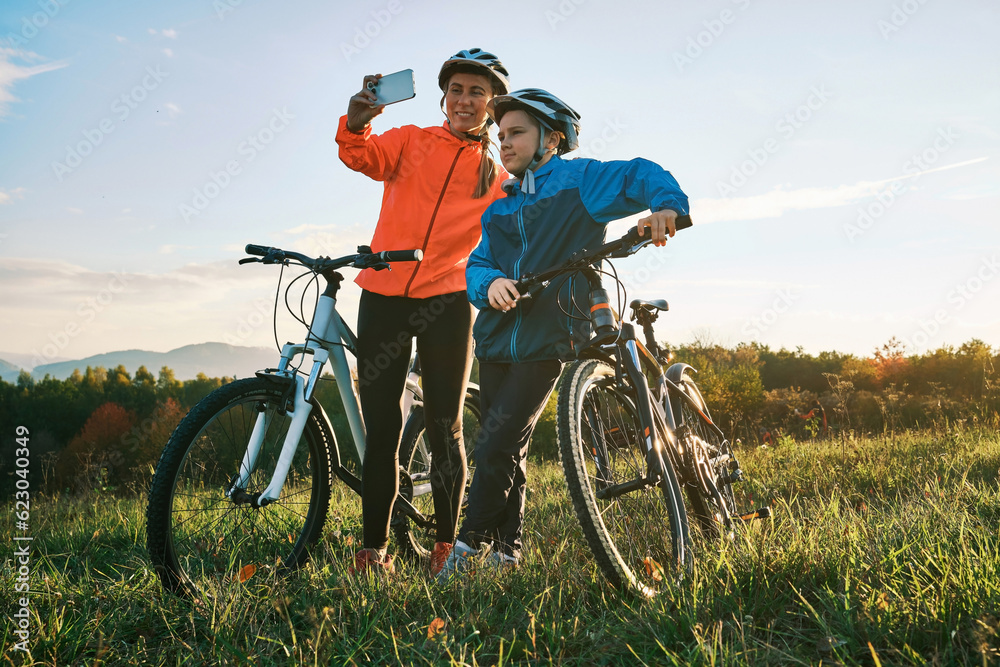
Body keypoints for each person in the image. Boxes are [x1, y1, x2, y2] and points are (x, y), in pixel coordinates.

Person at [437, 88, 690, 579]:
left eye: (516, 133)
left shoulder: (580, 182)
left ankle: (467, 552)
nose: (504, 143)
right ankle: (508, 552)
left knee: (495, 444)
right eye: (501, 135)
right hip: (493, 339)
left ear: (551, 137)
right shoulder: (499, 206)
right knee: (511, 445)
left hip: (549, 335)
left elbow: (639, 172)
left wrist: (666, 206)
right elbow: (479, 262)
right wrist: (488, 284)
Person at [336, 49, 511, 576]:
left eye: (476, 92)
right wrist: (358, 120)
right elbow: (361, 156)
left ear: (492, 103)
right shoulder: (410, 139)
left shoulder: (496, 174)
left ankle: (444, 550)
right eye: (456, 89)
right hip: (384, 294)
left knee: (444, 428)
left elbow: (524, 222)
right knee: (383, 426)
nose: (464, 100)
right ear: (444, 95)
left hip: (447, 303)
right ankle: (373, 552)